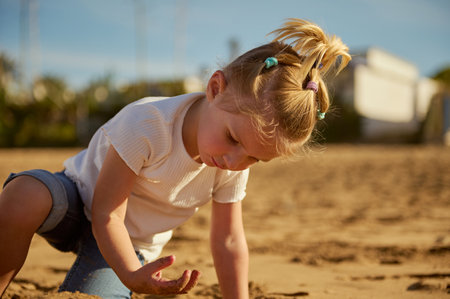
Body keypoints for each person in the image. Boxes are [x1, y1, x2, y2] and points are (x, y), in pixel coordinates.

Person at [0, 18, 350, 298]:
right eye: (232, 138)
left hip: (130, 243)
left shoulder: (233, 162)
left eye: (255, 159)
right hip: (79, 202)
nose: (234, 161)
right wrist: (129, 275)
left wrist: (132, 273)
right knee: (23, 195)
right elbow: (107, 213)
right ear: (215, 88)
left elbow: (228, 241)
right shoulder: (148, 123)